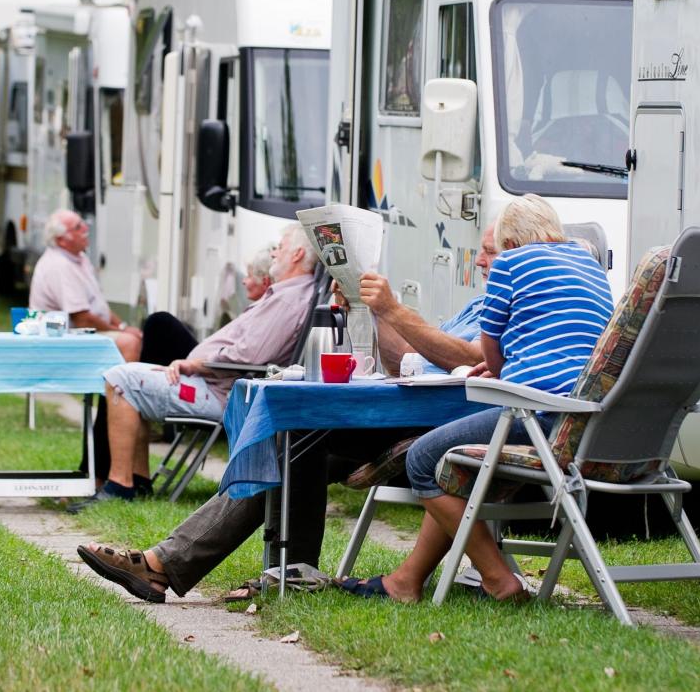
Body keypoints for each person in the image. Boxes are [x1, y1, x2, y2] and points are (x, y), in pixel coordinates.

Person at [73, 226, 500, 604]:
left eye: (490, 251)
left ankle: (184, 564)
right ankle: (271, 571)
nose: (479, 260)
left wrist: (394, 310)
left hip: (442, 421)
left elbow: (471, 359)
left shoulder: (515, 303)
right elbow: (405, 359)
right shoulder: (480, 302)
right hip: (408, 409)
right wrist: (367, 308)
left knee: (299, 434)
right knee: (294, 438)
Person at [343, 194, 612, 603]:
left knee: (422, 459)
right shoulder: (591, 267)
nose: (485, 260)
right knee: (453, 465)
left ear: (512, 244)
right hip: (589, 423)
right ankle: (406, 581)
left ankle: (498, 579)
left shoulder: (512, 264)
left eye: (491, 249)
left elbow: (489, 354)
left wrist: (501, 367)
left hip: (537, 419)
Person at [72, 223, 317, 508]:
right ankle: (137, 481)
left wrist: (196, 365)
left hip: (220, 390)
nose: (275, 252)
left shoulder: (288, 301)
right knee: (131, 375)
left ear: (298, 254)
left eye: (281, 246)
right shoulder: (286, 295)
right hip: (217, 382)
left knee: (120, 379)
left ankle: (119, 485)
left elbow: (249, 356)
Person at [28, 209, 144, 363]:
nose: (85, 228)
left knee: (136, 336)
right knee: (130, 342)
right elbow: (82, 319)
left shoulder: (79, 258)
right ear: (62, 240)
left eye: (82, 223)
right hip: (62, 337)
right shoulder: (58, 265)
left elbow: (100, 306)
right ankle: (120, 386)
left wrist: (123, 326)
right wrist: (121, 331)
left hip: (80, 333)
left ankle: (122, 384)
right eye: (78, 227)